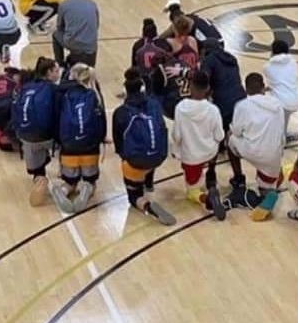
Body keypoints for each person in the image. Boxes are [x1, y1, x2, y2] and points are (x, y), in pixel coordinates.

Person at [112, 68, 175, 225]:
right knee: (149, 140)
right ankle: (149, 183)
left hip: (136, 162)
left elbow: (119, 145)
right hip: (159, 156)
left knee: (134, 197)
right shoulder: (154, 104)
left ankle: (146, 203)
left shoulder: (121, 112)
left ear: (125, 90)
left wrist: (125, 157)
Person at [227, 73, 285, 221]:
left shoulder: (242, 105)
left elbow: (236, 131)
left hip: (252, 151)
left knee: (230, 138)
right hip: (274, 154)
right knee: (265, 191)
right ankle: (269, 190)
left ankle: (238, 178)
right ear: (263, 87)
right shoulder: (277, 104)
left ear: (246, 90)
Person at [50, 64, 106, 213]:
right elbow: (102, 123)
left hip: (69, 147)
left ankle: (64, 190)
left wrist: (59, 142)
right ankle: (87, 187)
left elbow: (55, 121)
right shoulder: (94, 94)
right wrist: (100, 140)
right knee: (90, 180)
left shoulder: (61, 93)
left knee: (70, 182)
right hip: (90, 149)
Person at [171, 70, 226, 220]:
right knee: (211, 147)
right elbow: (220, 136)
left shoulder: (180, 108)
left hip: (190, 156)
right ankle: (209, 176)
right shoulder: (213, 110)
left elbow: (177, 136)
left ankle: (206, 199)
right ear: (207, 88)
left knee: (191, 192)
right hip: (209, 152)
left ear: (191, 86)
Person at [12, 57, 62, 206]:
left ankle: (39, 178)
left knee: (37, 169)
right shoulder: (53, 89)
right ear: (48, 73)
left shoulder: (25, 87)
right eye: (56, 71)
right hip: (47, 136)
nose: (58, 73)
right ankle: (67, 176)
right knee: (67, 140)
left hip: (25, 136)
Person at [262, 39, 298, 138]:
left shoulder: (267, 67)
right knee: (284, 117)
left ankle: (282, 137)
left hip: (281, 103)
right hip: (297, 98)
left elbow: (274, 84)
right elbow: (281, 82)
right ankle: (291, 135)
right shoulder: (293, 62)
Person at [52, 0, 99, 67]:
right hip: (91, 47)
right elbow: (97, 25)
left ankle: (60, 65)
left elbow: (59, 27)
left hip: (74, 44)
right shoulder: (92, 3)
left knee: (56, 35)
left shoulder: (64, 5)